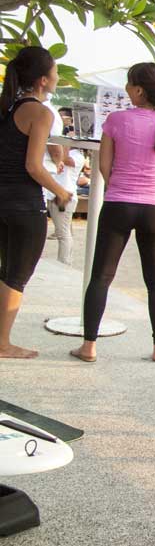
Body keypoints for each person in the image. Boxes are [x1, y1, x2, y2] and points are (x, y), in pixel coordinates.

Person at [71, 62, 155, 364]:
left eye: (128, 84)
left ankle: (89, 347)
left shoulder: (116, 120)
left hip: (119, 203)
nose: (125, 89)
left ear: (138, 90)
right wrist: (149, 189)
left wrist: (121, 186)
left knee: (101, 277)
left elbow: (104, 167)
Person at [0, 46, 73, 358]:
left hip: (3, 201)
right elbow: (33, 165)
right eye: (55, 72)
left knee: (5, 272)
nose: (57, 77)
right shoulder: (41, 113)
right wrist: (61, 191)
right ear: (43, 80)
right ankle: (3, 343)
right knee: (16, 277)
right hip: (24, 205)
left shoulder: (7, 107)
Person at [44, 104, 78, 265]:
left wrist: (64, 135)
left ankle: (64, 262)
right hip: (55, 192)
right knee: (63, 231)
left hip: (65, 195)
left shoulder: (77, 156)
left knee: (63, 233)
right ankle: (65, 260)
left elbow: (63, 158)